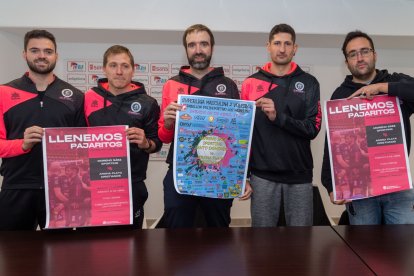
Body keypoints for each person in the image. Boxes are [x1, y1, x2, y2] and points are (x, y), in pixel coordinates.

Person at [158, 24, 251, 228]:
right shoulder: (171, 85)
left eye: (203, 44)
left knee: (217, 235)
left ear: (212, 48)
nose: (198, 50)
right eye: (192, 45)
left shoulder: (228, 85)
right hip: (180, 172)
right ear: (186, 50)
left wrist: (243, 176)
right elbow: (163, 137)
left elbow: (238, 138)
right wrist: (167, 122)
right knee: (176, 232)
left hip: (220, 172)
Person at [321, 30, 414, 225]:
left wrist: (382, 88)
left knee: (403, 248)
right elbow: (332, 144)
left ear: (374, 54)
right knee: (364, 248)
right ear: (347, 62)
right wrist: (331, 186)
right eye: (353, 54)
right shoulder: (341, 95)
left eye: (364, 51)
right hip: (360, 191)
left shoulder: (395, 82)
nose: (360, 57)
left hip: (397, 186)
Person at [0, 29, 85, 230]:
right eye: (35, 50)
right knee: (14, 256)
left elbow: (83, 147)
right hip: (18, 186)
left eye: (48, 51)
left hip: (61, 190)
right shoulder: (4, 92)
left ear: (56, 55)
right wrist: (22, 144)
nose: (41, 56)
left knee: (62, 256)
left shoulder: (75, 96)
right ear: (24, 54)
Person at [241, 23, 322, 227]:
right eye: (277, 43)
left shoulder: (309, 83)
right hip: (262, 176)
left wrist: (279, 117)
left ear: (295, 48)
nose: (282, 48)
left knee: (300, 244)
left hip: (299, 175)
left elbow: (313, 128)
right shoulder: (251, 83)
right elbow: (242, 135)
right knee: (261, 244)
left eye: (287, 44)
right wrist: (242, 176)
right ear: (268, 46)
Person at [84, 45, 162, 228]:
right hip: (93, 184)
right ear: (104, 69)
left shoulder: (148, 103)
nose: (119, 72)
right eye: (113, 65)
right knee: (92, 246)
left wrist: (145, 142)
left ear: (133, 70)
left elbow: (156, 143)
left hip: (131, 186)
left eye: (125, 66)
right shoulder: (88, 98)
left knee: (131, 246)